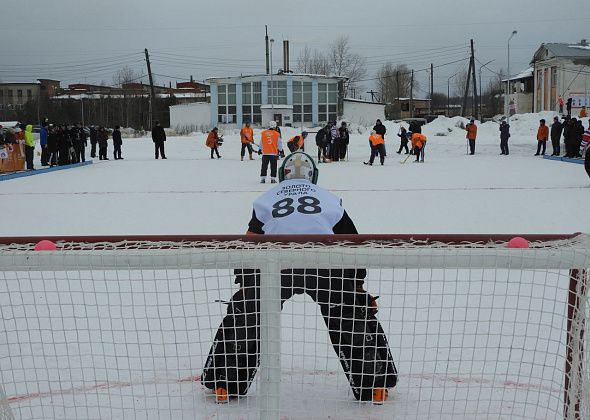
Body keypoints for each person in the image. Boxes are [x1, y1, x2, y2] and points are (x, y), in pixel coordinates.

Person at [201, 151, 398, 404]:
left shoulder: (266, 198)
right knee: (348, 313)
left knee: (249, 314)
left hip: (277, 263)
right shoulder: (329, 198)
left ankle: (225, 380)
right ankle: (374, 381)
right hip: (322, 263)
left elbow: (250, 242)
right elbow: (351, 243)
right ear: (313, 176)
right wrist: (356, 285)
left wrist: (246, 281)